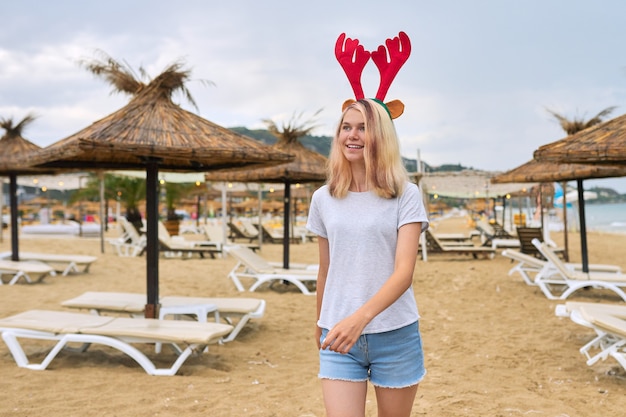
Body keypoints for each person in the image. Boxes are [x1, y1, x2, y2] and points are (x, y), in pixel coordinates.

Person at [306, 98, 429, 417]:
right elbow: (325, 270)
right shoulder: (324, 198)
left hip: (395, 334)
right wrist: (320, 323)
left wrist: (358, 320)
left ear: (382, 136)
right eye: (346, 127)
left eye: (363, 128)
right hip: (338, 337)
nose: (352, 135)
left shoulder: (406, 194)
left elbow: (404, 273)